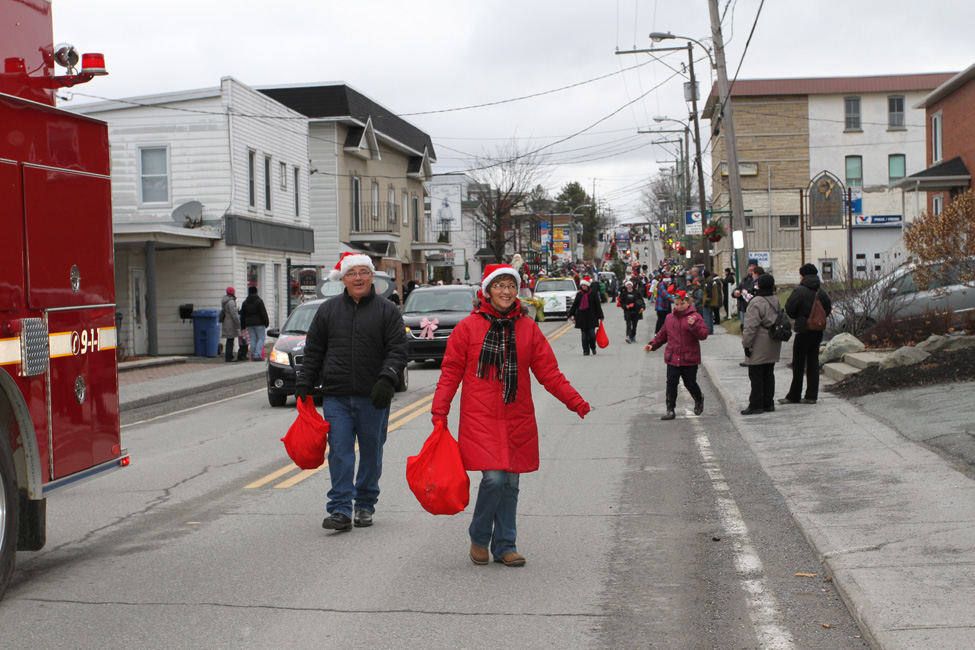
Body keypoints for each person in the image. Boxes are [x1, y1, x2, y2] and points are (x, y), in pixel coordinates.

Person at [431, 264, 590, 567]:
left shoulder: (528, 328)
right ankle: (479, 537)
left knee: (512, 482)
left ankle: (505, 545)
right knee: (494, 479)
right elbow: (450, 373)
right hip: (480, 417)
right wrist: (440, 411)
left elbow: (549, 373)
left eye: (511, 286)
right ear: (487, 291)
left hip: (517, 416)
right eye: (499, 285)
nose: (506, 291)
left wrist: (575, 401)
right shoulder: (468, 328)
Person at [295, 252, 407, 531]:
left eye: (363, 272)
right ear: (342, 279)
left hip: (374, 396)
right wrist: (305, 382)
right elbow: (314, 350)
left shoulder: (387, 311)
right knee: (340, 452)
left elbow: (398, 349)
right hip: (337, 396)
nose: (358, 278)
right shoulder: (328, 310)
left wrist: (387, 378)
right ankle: (341, 509)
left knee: (371, 453)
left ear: (371, 276)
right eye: (352, 273)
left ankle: (365, 504)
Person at [645, 288, 708, 420]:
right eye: (677, 304)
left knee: (690, 383)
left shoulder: (695, 317)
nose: (679, 307)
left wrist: (694, 325)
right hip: (673, 357)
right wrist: (652, 344)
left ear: (688, 303)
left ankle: (698, 398)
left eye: (682, 304)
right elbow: (662, 335)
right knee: (671, 383)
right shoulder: (669, 318)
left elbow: (703, 335)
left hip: (689, 357)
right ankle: (670, 409)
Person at [780, 263, 833, 406]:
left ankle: (794, 395)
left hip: (803, 331)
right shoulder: (821, 291)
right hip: (817, 331)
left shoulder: (799, 291)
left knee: (798, 364)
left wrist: (801, 317)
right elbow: (827, 309)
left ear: (803, 275)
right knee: (813, 362)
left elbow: (790, 309)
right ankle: (811, 395)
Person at [741, 273, 782, 415]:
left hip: (759, 342)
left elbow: (751, 326)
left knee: (756, 374)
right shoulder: (775, 299)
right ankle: (768, 403)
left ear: (758, 285)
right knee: (769, 373)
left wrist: (746, 344)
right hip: (773, 340)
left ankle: (756, 404)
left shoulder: (756, 302)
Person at [567, 277, 604, 356]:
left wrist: (600, 315)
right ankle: (585, 350)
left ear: (587, 285)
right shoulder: (579, 294)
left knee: (592, 335)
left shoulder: (593, 293)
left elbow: (597, 305)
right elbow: (575, 305)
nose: (583, 286)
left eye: (584, 285)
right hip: (581, 317)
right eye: (582, 285)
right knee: (584, 336)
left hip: (592, 317)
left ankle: (593, 347)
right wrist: (570, 314)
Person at [239, 286, 270, 361]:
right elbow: (263, 313)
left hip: (249, 324)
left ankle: (253, 355)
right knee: (261, 338)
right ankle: (257, 355)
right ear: (256, 292)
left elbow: (242, 315)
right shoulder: (259, 301)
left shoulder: (245, 303)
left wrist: (243, 325)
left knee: (252, 339)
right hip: (259, 323)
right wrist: (266, 322)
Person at [617, 279, 645, 343]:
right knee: (628, 324)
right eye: (627, 285)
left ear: (632, 285)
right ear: (626, 286)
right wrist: (625, 306)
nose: (629, 286)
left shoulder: (637, 292)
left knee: (634, 324)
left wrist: (643, 307)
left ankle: (633, 336)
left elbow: (641, 301)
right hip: (628, 311)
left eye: (630, 285)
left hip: (636, 310)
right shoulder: (624, 293)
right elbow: (621, 302)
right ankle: (628, 336)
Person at [220, 287, 241, 362]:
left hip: (226, 322)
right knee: (230, 341)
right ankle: (229, 357)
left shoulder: (225, 301)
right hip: (230, 323)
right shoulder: (231, 302)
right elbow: (233, 314)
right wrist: (238, 322)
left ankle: (229, 356)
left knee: (229, 340)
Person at [702, 270, 722, 335]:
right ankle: (710, 329)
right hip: (713, 302)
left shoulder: (709, 282)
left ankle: (708, 330)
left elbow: (709, 293)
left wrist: (706, 301)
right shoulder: (712, 281)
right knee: (710, 316)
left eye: (703, 275)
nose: (702, 276)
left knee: (707, 316)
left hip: (709, 302)